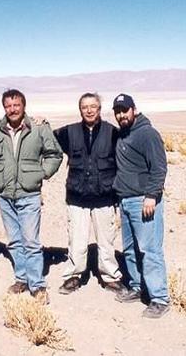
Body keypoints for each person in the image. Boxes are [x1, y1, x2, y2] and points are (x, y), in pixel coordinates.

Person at [0, 89, 62, 304]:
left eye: (16, 105)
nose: (12, 109)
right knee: (15, 241)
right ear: (4, 108)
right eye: (8, 106)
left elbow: (54, 154)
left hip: (29, 193)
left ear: (23, 106)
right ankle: (21, 279)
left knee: (31, 241)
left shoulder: (38, 128)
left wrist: (41, 174)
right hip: (5, 194)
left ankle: (37, 285)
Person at [54, 93, 125, 295]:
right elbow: (46, 139)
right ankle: (73, 277)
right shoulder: (69, 132)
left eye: (93, 106)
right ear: (80, 110)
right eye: (85, 107)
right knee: (76, 240)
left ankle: (110, 277)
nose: (89, 110)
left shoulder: (113, 133)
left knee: (106, 241)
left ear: (100, 108)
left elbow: (125, 160)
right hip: (77, 197)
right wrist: (39, 123)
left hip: (104, 197)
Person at [111, 93, 170, 318]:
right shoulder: (122, 135)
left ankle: (159, 298)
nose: (121, 115)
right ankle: (137, 286)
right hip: (125, 200)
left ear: (134, 109)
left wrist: (152, 196)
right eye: (117, 111)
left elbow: (159, 167)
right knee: (130, 249)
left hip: (143, 201)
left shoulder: (148, 134)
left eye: (125, 110)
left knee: (149, 249)